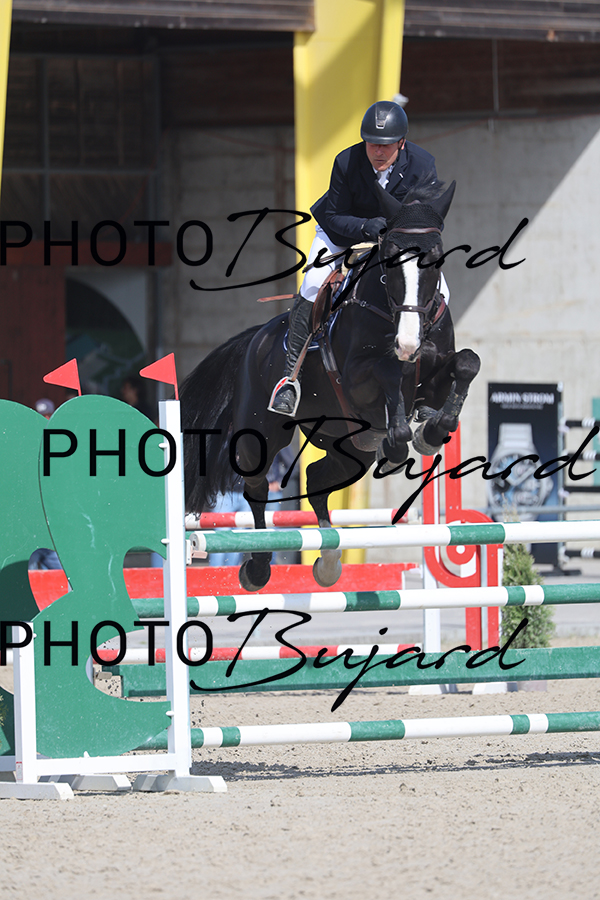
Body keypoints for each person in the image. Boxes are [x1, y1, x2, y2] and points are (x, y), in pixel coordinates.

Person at [268, 99, 443, 417]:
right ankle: (290, 378)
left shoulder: (422, 164)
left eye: (386, 145)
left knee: (442, 290)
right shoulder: (346, 162)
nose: (378, 152)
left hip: (397, 241)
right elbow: (334, 215)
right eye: (372, 144)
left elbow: (423, 218)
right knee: (313, 283)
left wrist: (392, 235)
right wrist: (364, 227)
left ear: (401, 143)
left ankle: (430, 380)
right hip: (343, 234)